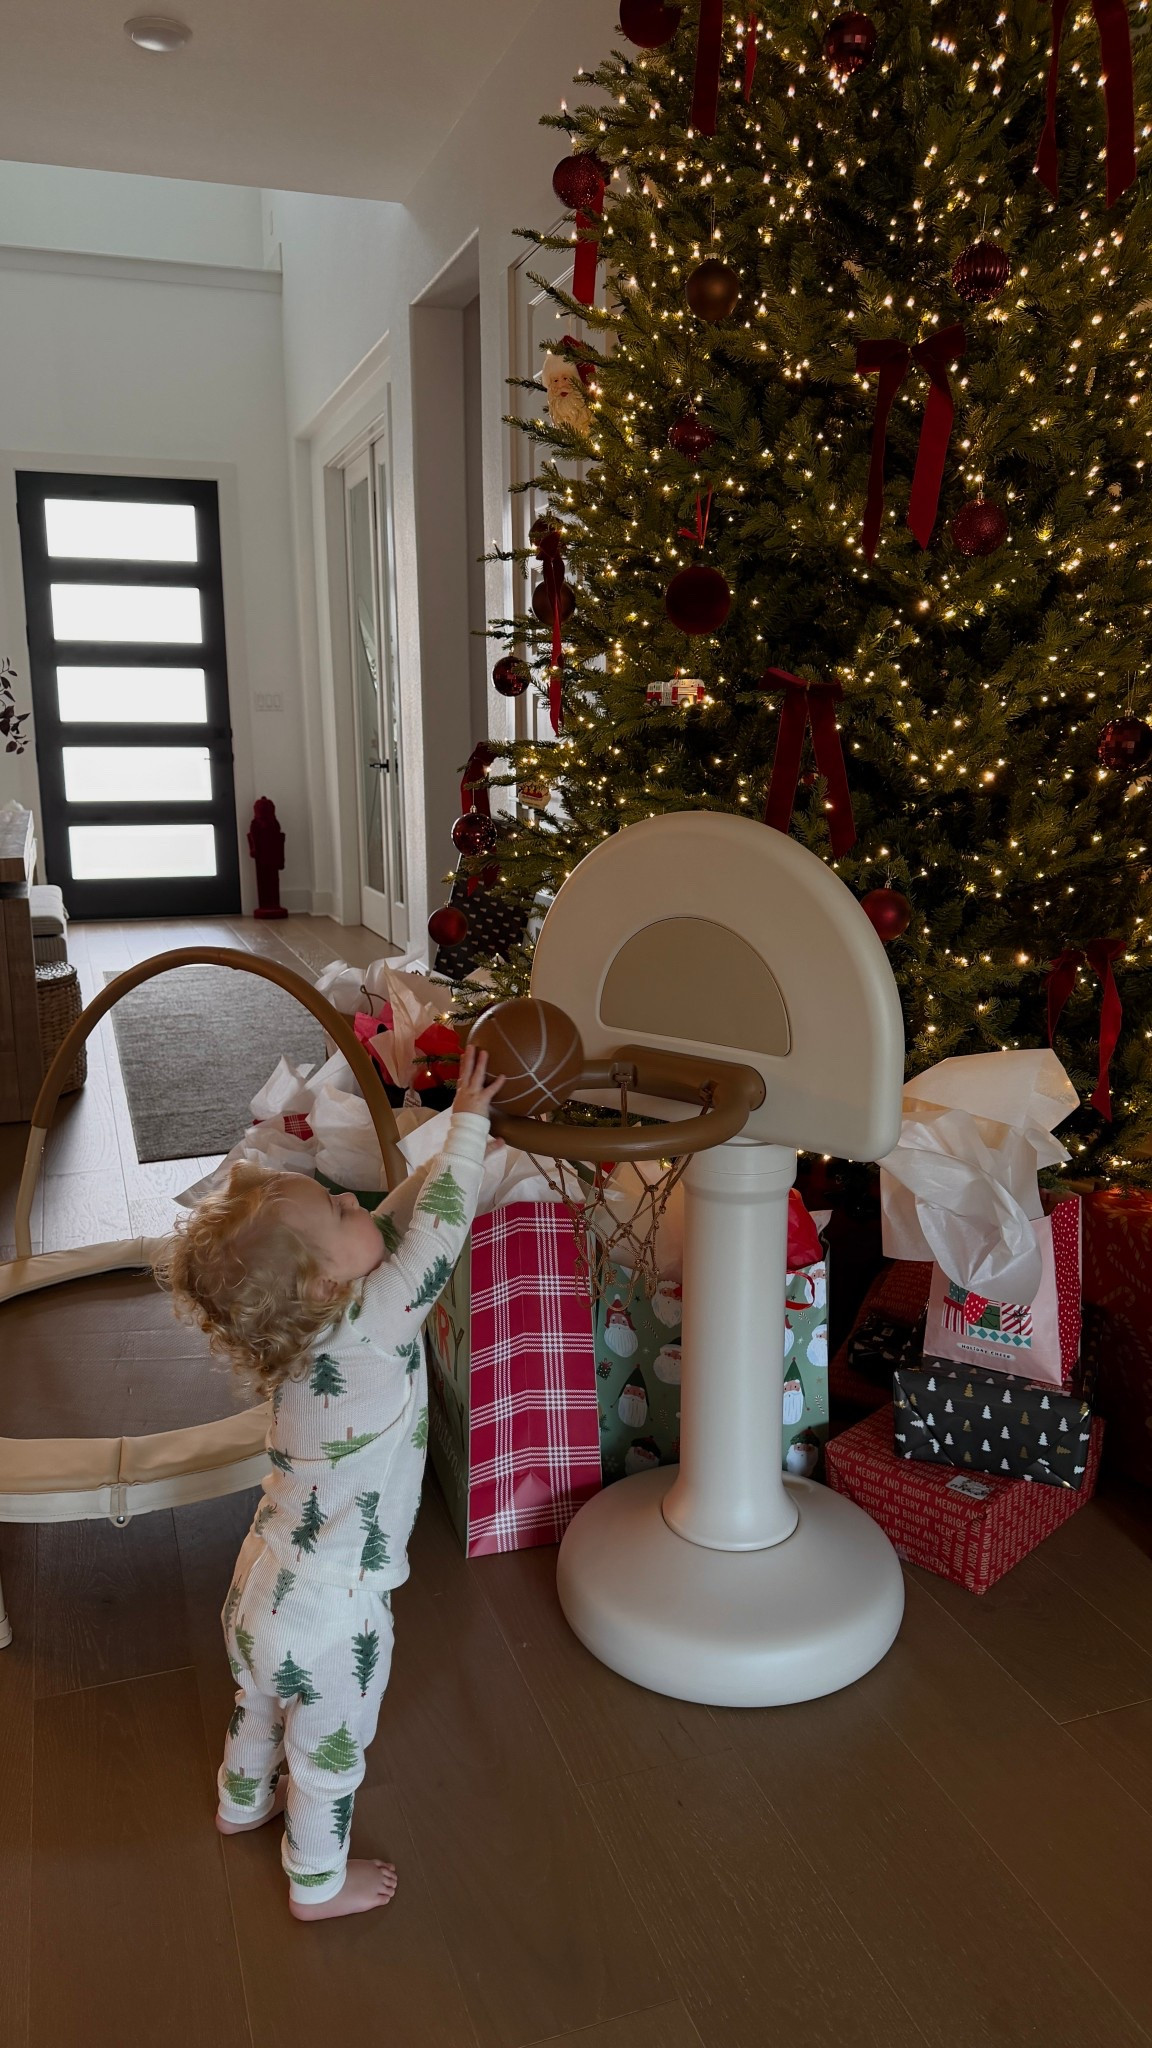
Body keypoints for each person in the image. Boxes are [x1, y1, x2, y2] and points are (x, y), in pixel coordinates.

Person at [155, 1044, 502, 1920]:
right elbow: (433, 1237)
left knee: (258, 1703)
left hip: (262, 1580)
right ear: (321, 1278)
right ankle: (316, 1880)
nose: (352, 1199)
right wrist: (468, 1134)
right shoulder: (379, 1325)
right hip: (332, 1610)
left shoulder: (300, 1331)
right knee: (327, 1754)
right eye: (334, 1206)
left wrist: (450, 1144)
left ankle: (240, 1801)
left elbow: (383, 1228)